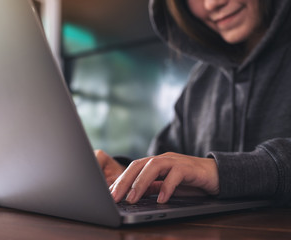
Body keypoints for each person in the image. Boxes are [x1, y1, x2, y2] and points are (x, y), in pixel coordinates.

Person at [95, 0, 291, 206]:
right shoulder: (201, 80)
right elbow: (166, 159)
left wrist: (221, 172)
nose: (212, 4)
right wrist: (127, 176)